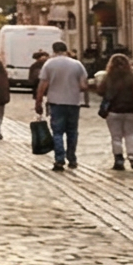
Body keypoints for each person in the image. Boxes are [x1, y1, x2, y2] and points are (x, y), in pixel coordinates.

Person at [35, 40, 89, 172]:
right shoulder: (77, 64)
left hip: (56, 102)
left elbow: (43, 85)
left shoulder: (49, 64)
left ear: (54, 50)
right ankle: (72, 158)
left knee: (57, 132)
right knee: (72, 131)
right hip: (73, 102)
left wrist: (38, 101)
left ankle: (59, 159)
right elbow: (83, 86)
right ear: (66, 50)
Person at [97, 52, 133, 171]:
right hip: (131, 110)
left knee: (116, 137)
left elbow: (100, 91)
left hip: (113, 111)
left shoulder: (108, 76)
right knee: (130, 134)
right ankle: (132, 156)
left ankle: (119, 159)